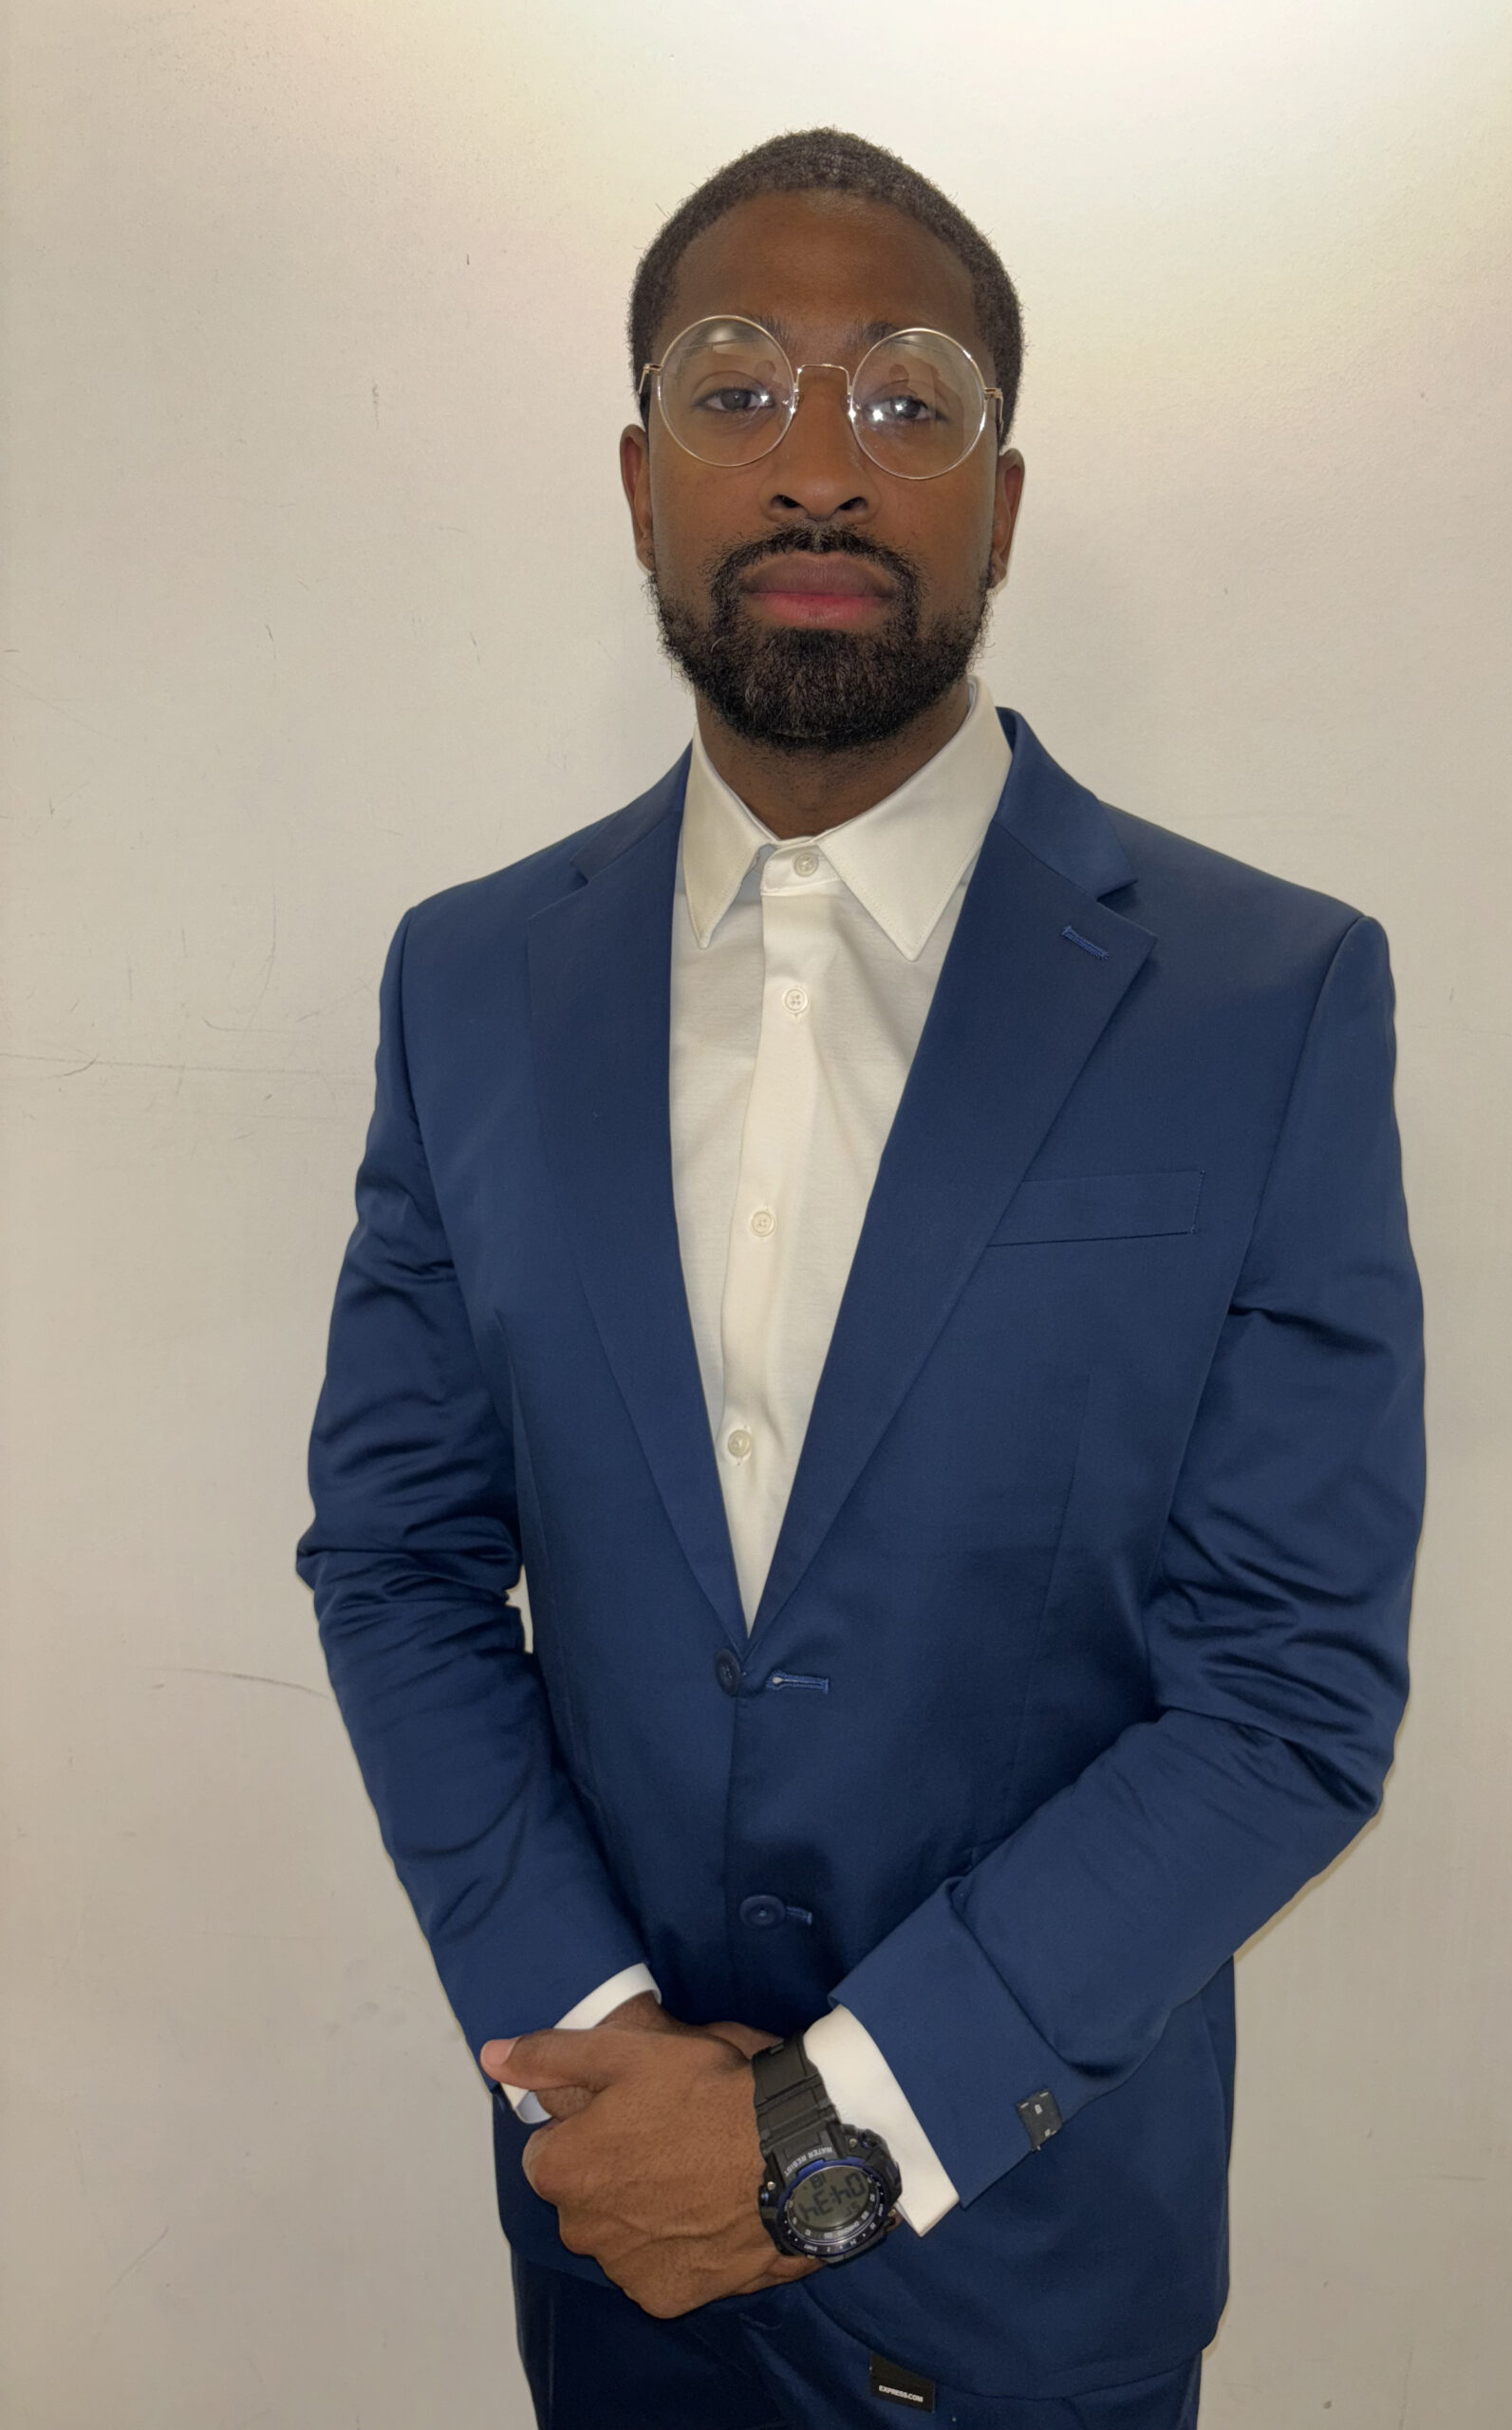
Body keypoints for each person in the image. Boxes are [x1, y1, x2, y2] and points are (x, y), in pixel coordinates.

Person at [298, 126, 1425, 2430]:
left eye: (908, 398)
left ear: (1000, 503)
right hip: (615, 2241)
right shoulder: (469, 983)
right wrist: (602, 2050)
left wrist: (820, 2136)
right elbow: (398, 1554)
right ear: (642, 480)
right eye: (738, 388)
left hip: (1024, 2262)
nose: (821, 462)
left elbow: (1290, 1686)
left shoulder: (1264, 996)